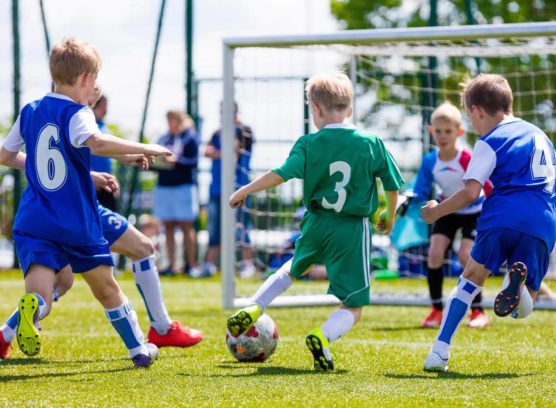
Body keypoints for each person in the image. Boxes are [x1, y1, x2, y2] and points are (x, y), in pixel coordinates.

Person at [0, 38, 172, 368]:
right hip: (74, 220)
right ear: (85, 78)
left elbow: (6, 156)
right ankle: (139, 349)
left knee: (42, 294)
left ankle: (33, 309)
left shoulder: (30, 111)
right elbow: (97, 142)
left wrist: (72, 171)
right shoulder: (77, 112)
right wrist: (147, 148)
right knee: (107, 289)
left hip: (34, 221)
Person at [225, 73, 404, 371]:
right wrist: (390, 214)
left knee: (294, 267)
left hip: (316, 221)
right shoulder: (371, 143)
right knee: (354, 305)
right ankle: (323, 336)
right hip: (351, 228)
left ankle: (255, 305)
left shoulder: (308, 143)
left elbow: (280, 174)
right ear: (349, 109)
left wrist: (245, 190)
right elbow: (392, 183)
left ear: (316, 109)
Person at [421, 74, 556, 372]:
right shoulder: (541, 137)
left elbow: (471, 192)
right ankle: (515, 286)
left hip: (502, 217)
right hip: (542, 224)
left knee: (469, 281)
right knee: (525, 306)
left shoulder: (489, 141)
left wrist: (436, 213)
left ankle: (439, 352)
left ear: (477, 111)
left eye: (470, 118)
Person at [412, 102, 492, 329]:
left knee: (466, 255)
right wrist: (412, 200)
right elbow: (420, 190)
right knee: (434, 253)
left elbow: (487, 187)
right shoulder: (430, 161)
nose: (442, 136)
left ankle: (478, 311)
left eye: (448, 131)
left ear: (459, 132)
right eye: (438, 131)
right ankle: (436, 309)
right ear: (431, 131)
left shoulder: (467, 158)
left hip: (474, 212)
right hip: (447, 209)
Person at [203, 103, 255, 277]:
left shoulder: (245, 130)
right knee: (214, 228)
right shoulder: (216, 133)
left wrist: (220, 151)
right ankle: (209, 265)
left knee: (242, 226)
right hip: (217, 189)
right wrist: (220, 152)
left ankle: (247, 264)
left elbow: (235, 149)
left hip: (239, 188)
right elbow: (207, 152)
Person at [153, 110, 201, 276]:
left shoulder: (190, 137)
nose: (170, 122)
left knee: (186, 226)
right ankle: (172, 265)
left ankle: (191, 265)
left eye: (172, 119)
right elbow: (154, 160)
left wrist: (176, 161)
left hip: (183, 187)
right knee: (168, 227)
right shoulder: (163, 139)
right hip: (164, 186)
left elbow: (193, 161)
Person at [90, 94, 117, 211]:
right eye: (103, 106)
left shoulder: (104, 127)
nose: (106, 110)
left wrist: (113, 179)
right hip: (91, 181)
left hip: (105, 182)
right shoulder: (86, 126)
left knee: (111, 216)